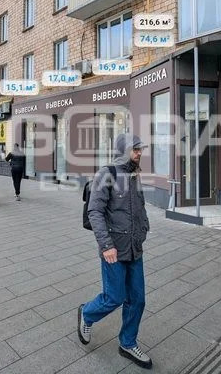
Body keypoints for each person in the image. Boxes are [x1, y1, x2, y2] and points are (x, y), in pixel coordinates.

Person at [77, 134, 152, 370]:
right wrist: (106, 245)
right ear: (124, 150)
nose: (140, 153)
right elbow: (95, 212)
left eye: (141, 149)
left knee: (137, 299)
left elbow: (139, 207)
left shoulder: (134, 174)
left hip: (134, 248)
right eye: (136, 149)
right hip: (113, 250)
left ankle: (127, 343)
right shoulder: (106, 174)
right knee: (114, 297)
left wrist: (143, 229)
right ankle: (87, 314)